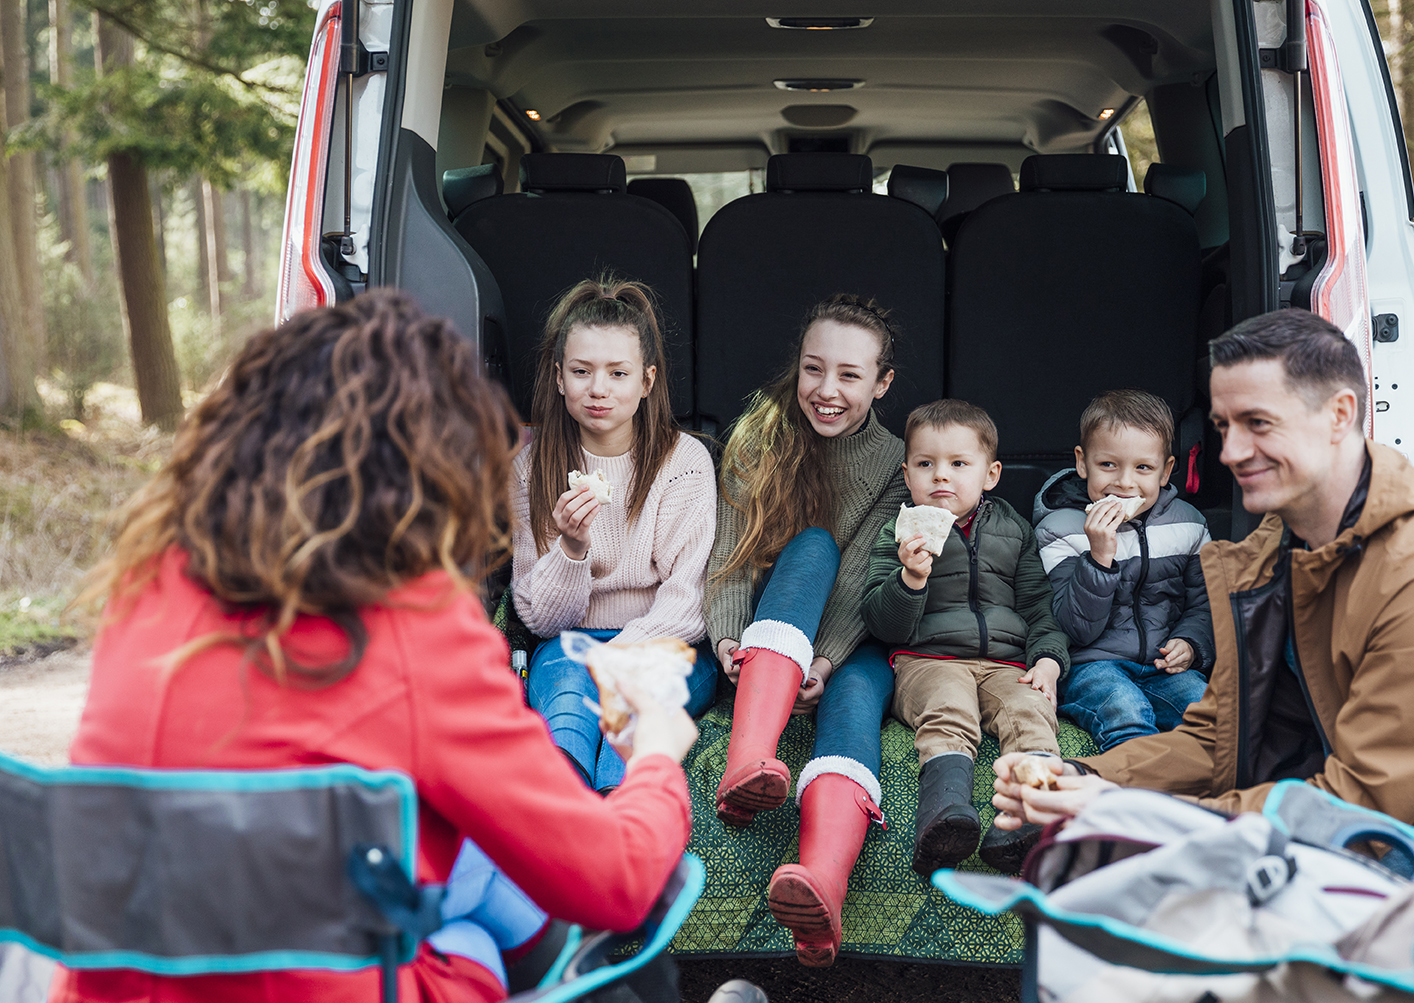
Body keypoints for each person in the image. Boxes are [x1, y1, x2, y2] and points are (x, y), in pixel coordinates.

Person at [56, 291, 699, 1003]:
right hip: (315, 983)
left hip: (129, 984)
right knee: (485, 930)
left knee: (484, 884)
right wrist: (656, 756)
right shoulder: (413, 629)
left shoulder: (152, 582)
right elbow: (618, 878)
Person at [993, 308, 1414, 834]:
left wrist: (1129, 811)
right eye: (1223, 427)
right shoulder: (1276, 546)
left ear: (1339, 414)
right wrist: (1082, 777)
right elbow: (1225, 736)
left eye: (1258, 423)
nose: (1232, 453)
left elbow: (1361, 808)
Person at [705, 294, 908, 967]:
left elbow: (859, 581)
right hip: (774, 618)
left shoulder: (896, 461)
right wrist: (729, 638)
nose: (826, 390)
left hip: (848, 636)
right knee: (814, 545)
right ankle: (748, 760)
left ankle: (821, 884)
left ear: (882, 384)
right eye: (813, 369)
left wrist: (824, 662)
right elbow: (729, 557)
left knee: (860, 690)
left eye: (850, 376)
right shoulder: (759, 434)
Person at [511, 276, 719, 794]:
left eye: (617, 373)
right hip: (569, 646)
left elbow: (689, 601)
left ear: (647, 381)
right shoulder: (532, 468)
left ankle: (619, 835)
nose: (598, 389)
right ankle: (563, 830)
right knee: (567, 721)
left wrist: (619, 661)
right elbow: (539, 617)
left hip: (665, 645)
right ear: (559, 379)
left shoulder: (684, 463)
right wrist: (572, 549)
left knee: (631, 724)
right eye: (581, 372)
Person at [860, 399, 1070, 876]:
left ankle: (1026, 823)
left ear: (990, 474)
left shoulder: (1013, 529)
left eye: (958, 464)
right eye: (925, 464)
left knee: (1030, 712)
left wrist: (1049, 660)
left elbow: (1039, 607)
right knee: (950, 708)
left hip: (1005, 663)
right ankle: (944, 817)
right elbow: (879, 621)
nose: (941, 477)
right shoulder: (898, 531)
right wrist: (910, 578)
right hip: (927, 659)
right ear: (907, 474)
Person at [1032, 389, 1215, 752]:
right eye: (1108, 465)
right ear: (1082, 463)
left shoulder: (1190, 525)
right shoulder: (1059, 529)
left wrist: (1192, 644)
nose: (1125, 482)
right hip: (1093, 666)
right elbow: (1075, 629)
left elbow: (1207, 605)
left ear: (1166, 471)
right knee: (1125, 708)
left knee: (1207, 709)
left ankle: (1205, 799)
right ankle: (1135, 797)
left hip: (1166, 666)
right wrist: (1099, 557)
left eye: (1143, 468)